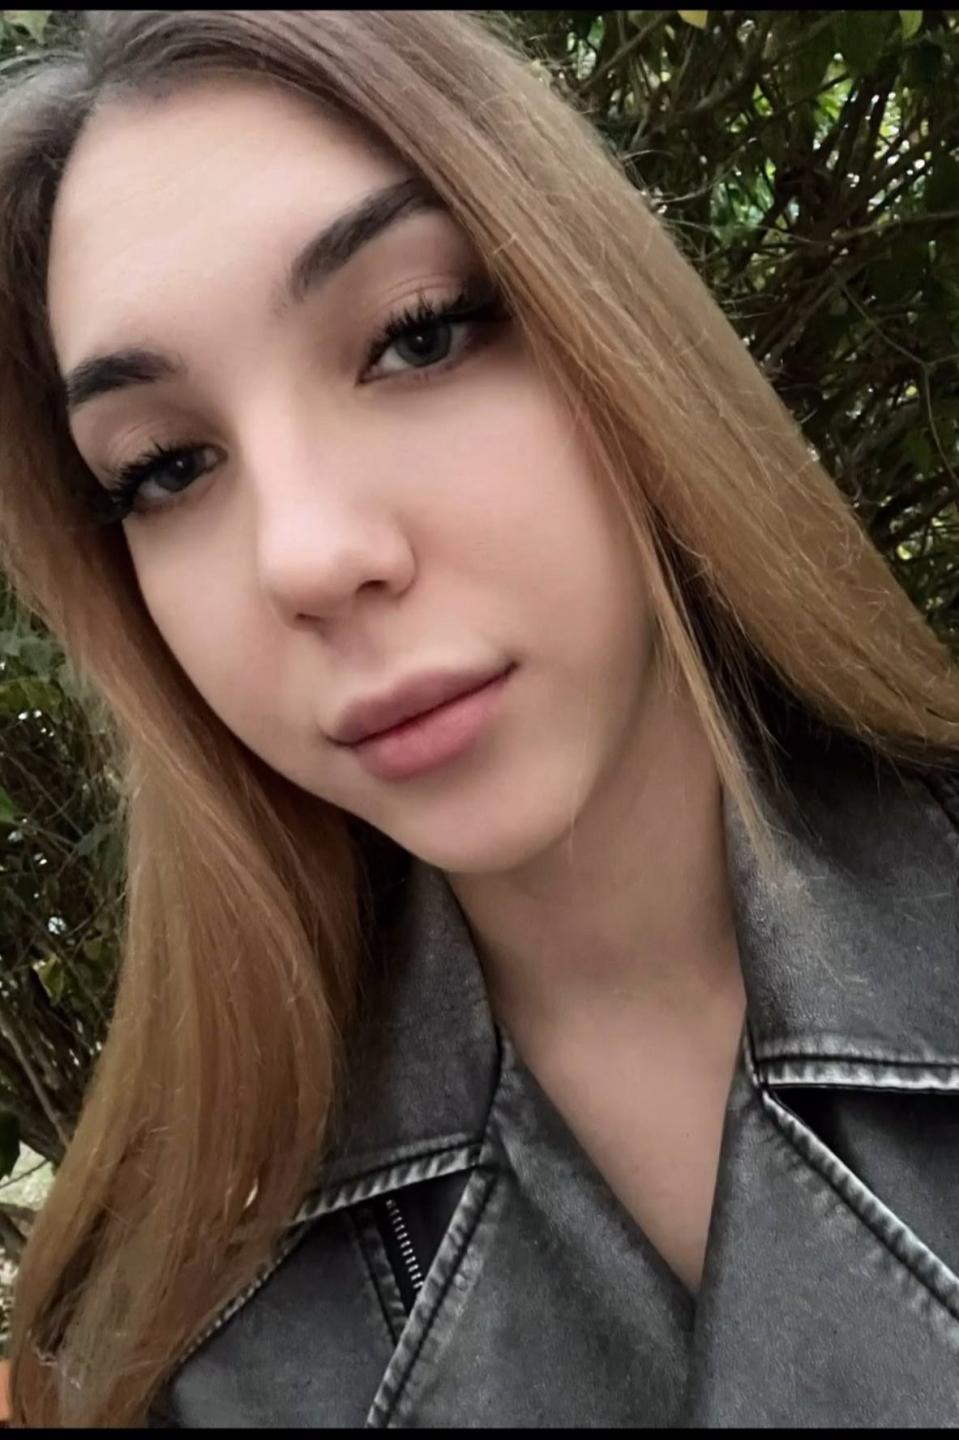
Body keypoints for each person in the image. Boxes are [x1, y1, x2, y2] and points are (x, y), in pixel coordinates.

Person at [2, 9, 959, 1428]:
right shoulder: (177, 1346)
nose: (306, 558)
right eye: (168, 467)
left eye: (419, 336)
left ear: (612, 330)